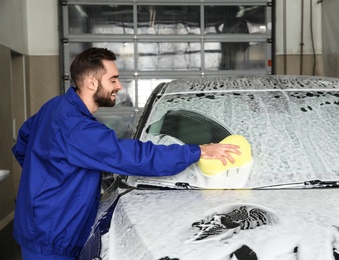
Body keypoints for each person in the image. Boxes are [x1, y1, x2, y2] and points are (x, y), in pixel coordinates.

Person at [12, 47, 240, 260]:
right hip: (54, 238)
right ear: (92, 83)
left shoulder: (56, 106)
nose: (119, 86)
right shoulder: (78, 129)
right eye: (113, 79)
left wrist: (45, 179)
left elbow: (23, 141)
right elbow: (135, 157)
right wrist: (197, 151)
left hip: (39, 226)